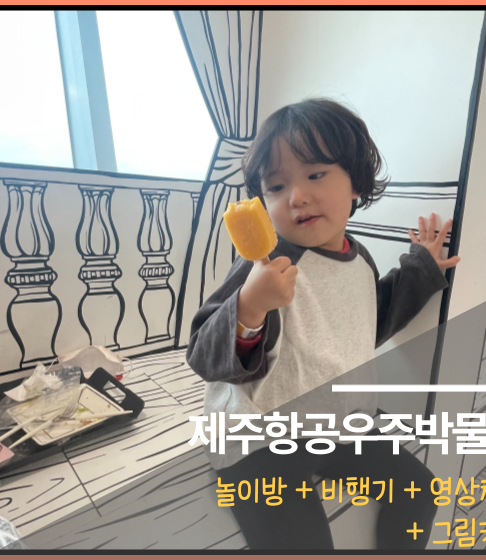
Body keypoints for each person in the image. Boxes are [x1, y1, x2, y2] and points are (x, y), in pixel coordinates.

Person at [186, 98, 460, 550]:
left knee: (420, 493)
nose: (296, 196)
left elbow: (371, 318)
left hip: (341, 424)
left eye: (315, 175)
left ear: (356, 183)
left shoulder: (359, 260)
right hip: (261, 436)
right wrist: (250, 306)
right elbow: (203, 352)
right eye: (276, 186)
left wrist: (422, 267)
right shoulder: (267, 263)